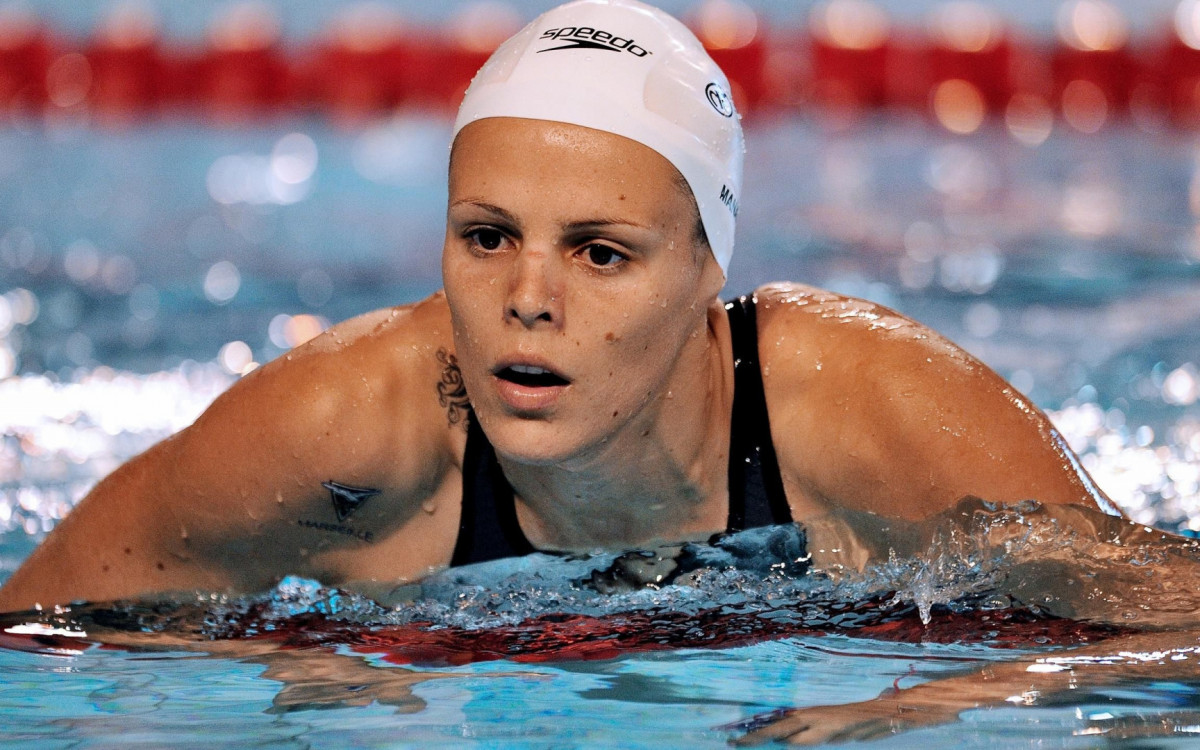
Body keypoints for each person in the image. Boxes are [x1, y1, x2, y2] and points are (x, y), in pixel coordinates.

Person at [0, 0, 1122, 613]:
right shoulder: (344, 435)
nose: (527, 301)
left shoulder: (869, 410)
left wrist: (957, 699)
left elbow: (1165, 637)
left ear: (702, 275)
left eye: (599, 252)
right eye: (487, 239)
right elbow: (38, 642)